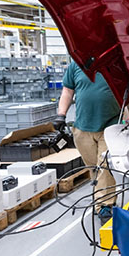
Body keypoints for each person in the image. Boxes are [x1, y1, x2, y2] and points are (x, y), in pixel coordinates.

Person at [54, 59, 122, 224]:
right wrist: (61, 115)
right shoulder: (76, 66)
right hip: (83, 126)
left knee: (104, 165)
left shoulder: (114, 65)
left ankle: (105, 205)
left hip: (110, 125)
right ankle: (100, 200)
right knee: (93, 167)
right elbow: (67, 92)